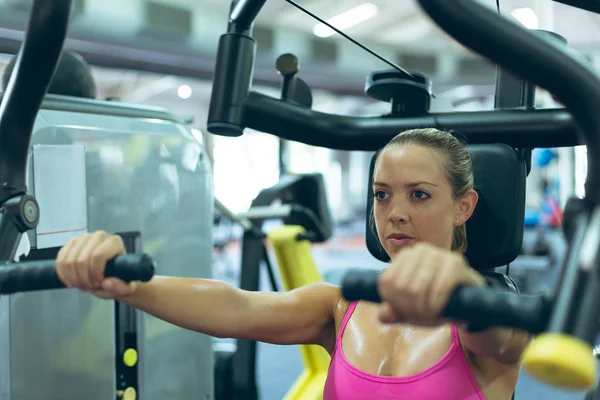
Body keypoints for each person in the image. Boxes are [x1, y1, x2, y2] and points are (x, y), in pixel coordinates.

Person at [56, 128, 531, 399]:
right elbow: (234, 308)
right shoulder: (341, 307)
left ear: (463, 207)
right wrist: (126, 283)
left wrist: (459, 289)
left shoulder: (497, 315)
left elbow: (499, 337)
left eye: (419, 195)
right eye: (382, 195)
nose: (396, 212)